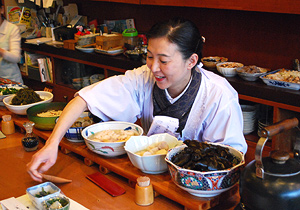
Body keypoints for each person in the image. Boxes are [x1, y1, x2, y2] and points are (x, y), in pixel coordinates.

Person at [27, 18, 247, 182]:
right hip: (147, 177)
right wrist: (52, 143)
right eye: (150, 56)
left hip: (195, 188)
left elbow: (230, 158)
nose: (154, 67)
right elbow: (85, 98)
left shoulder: (219, 95)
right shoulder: (143, 77)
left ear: (191, 61)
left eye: (164, 60)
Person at [0, 2, 23, 84]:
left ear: (2, 10)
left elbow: (16, 57)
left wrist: (1, 51)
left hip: (11, 81)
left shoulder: (12, 29)